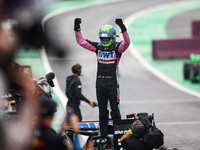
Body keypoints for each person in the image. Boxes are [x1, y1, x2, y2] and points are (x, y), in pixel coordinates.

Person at [74, 18, 130, 138]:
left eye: (107, 38)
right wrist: (77, 28)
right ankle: (104, 137)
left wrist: (122, 27)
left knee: (115, 111)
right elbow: (81, 42)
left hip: (112, 83)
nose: (104, 40)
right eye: (103, 38)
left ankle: (118, 137)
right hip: (99, 83)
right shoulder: (98, 47)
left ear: (113, 37)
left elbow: (127, 43)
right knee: (102, 112)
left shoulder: (117, 48)